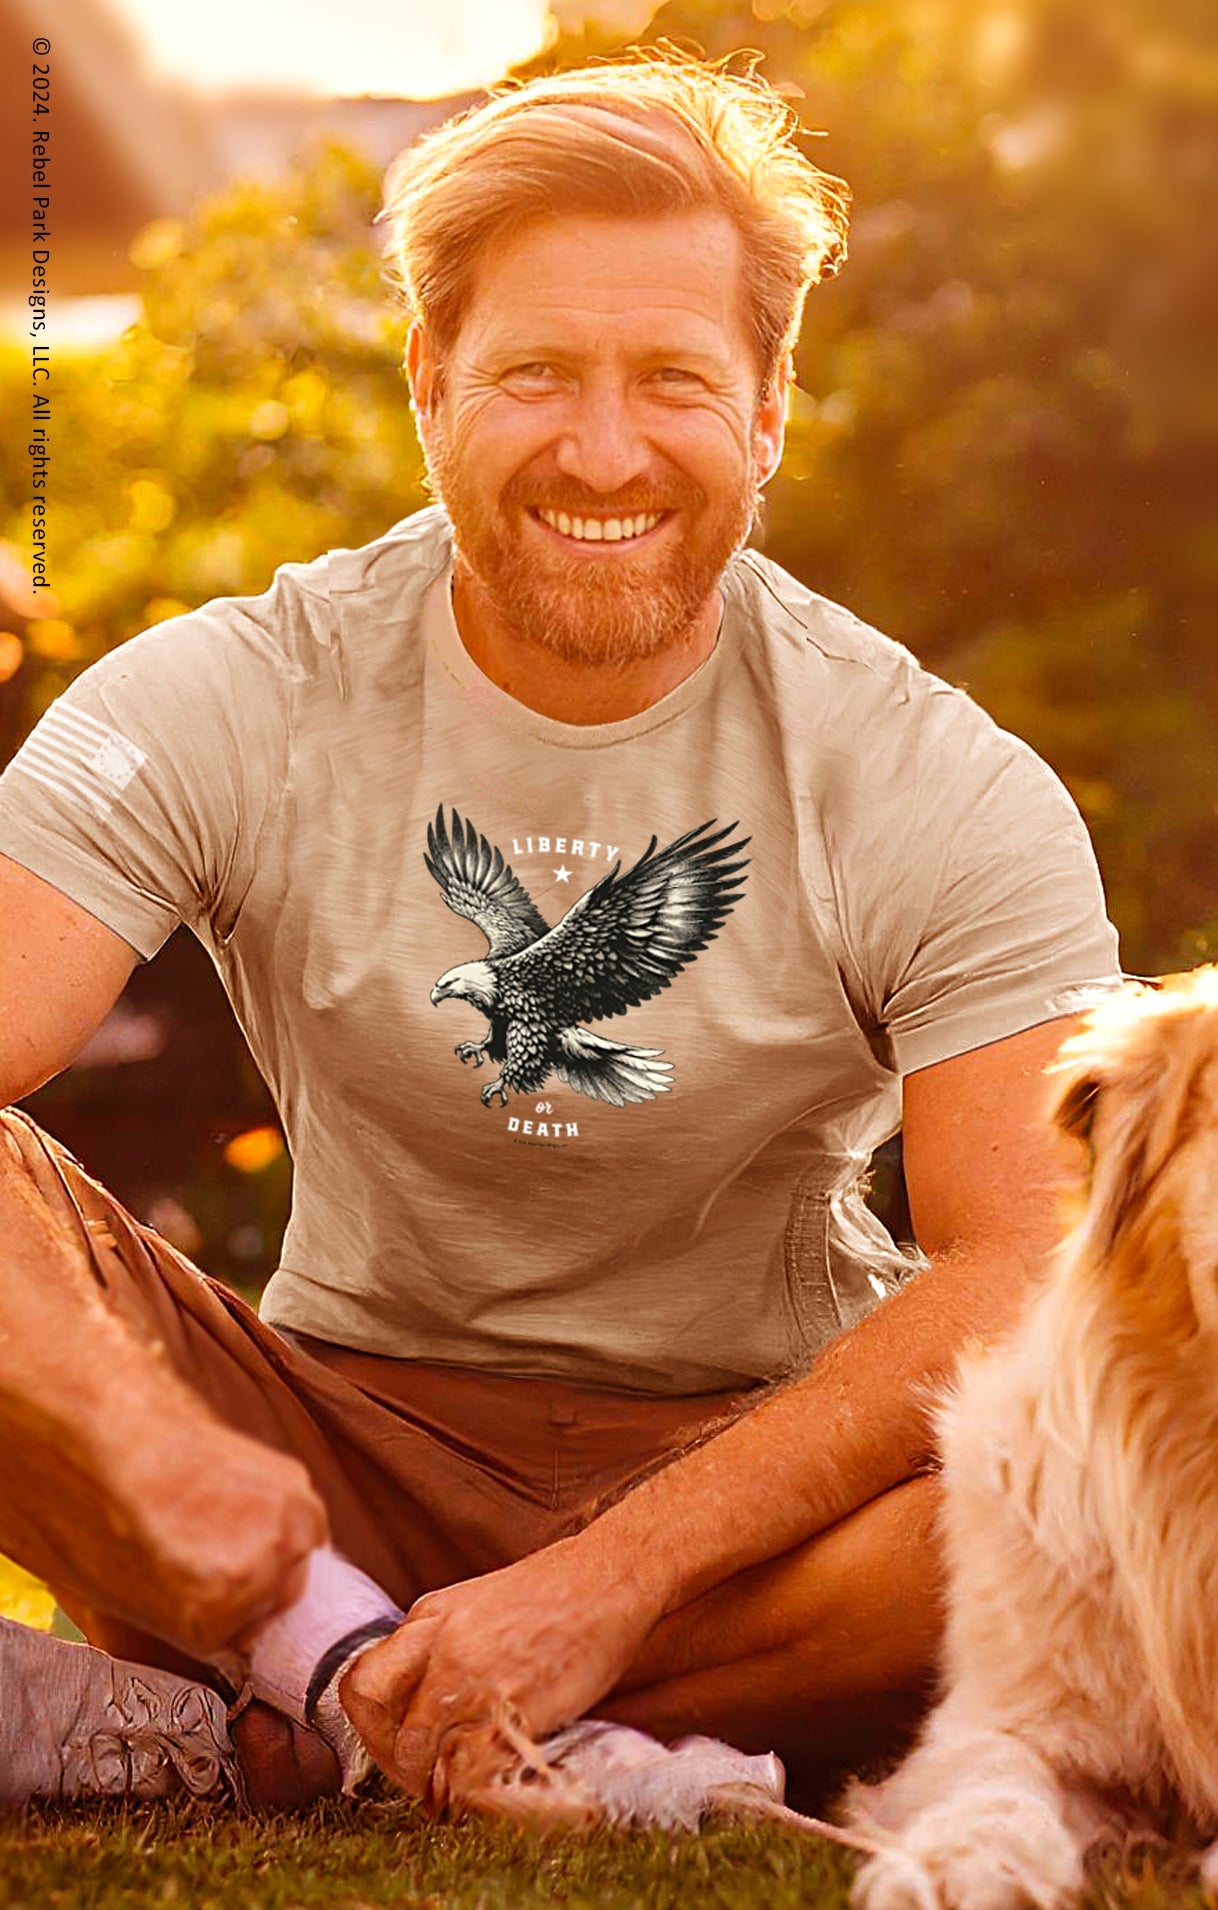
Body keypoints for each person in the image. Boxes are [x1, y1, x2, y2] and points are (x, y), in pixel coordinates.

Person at [0, 53, 1120, 1813]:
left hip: (757, 1503)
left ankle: (320, 1712)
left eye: (674, 379)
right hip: (320, 1459)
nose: (603, 452)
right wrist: (154, 1452)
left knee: (1085, 1477)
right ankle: (349, 1658)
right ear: (431, 382)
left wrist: (609, 1581)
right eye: (534, 374)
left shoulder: (933, 777)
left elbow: (1033, 1262)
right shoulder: (228, 689)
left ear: (768, 406)